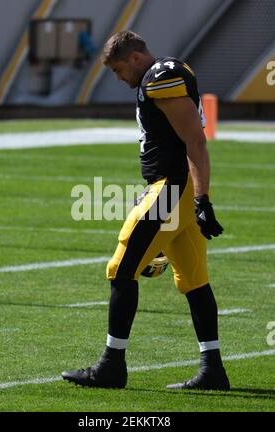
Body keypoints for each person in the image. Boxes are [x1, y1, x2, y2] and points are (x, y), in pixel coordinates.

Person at [62, 31, 230, 391]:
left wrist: (201, 200)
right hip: (176, 189)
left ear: (136, 58)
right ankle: (213, 368)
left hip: (171, 188)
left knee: (121, 268)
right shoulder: (169, 71)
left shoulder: (159, 77)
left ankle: (111, 366)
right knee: (194, 280)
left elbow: (195, 139)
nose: (120, 78)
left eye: (119, 70)